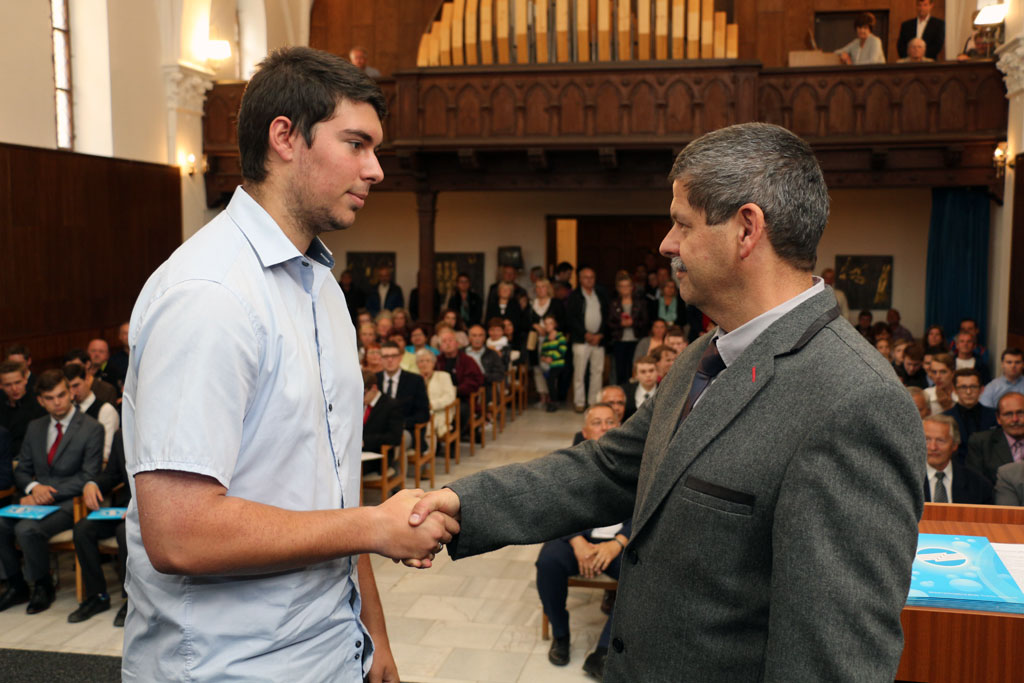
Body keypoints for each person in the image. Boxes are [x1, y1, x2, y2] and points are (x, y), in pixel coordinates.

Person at [408, 122, 924, 682]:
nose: (666, 244)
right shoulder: (703, 353)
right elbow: (610, 469)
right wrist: (458, 504)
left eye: (682, 223)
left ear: (746, 229)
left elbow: (830, 662)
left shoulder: (855, 403)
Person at [120, 47, 455, 682]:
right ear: (285, 138)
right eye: (356, 144)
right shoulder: (210, 294)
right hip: (229, 664)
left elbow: (331, 488)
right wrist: (375, 526)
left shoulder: (320, 284)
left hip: (331, 644)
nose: (376, 169)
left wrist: (373, 633)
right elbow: (180, 534)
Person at [536, 403, 629, 678]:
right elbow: (555, 507)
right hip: (578, 536)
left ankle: (604, 651)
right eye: (597, 423)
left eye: (610, 422)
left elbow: (648, 507)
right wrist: (577, 541)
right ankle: (561, 635)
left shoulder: (638, 462)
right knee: (548, 562)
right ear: (585, 432)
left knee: (643, 573)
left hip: (620, 541)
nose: (604, 428)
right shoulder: (570, 463)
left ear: (620, 427)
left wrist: (619, 542)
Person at [0, 369, 103, 615]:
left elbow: (88, 476)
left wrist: (47, 494)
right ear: (40, 401)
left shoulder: (91, 428)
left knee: (26, 529)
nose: (57, 402)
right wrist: (33, 487)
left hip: (70, 503)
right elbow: (22, 470)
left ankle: (43, 585)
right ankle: (16, 585)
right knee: (1, 524)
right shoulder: (35, 427)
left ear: (70, 394)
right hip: (36, 500)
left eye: (61, 395)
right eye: (50, 398)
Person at [69, 429, 131, 625]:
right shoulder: (122, 435)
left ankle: (130, 600)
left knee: (124, 532)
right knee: (83, 529)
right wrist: (93, 483)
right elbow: (112, 474)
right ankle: (97, 596)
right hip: (123, 508)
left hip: (151, 510)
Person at [567, 266, 609, 412]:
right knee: (580, 373)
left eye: (592, 277)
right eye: (586, 277)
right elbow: (571, 318)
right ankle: (579, 402)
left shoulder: (600, 295)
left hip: (598, 340)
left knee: (597, 372)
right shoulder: (575, 296)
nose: (589, 280)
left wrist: (600, 334)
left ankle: (593, 402)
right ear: (580, 279)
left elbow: (606, 316)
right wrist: (585, 334)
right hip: (581, 340)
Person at [923, 415, 991, 504]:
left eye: (940, 440)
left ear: (955, 444)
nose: (933, 447)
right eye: (927, 440)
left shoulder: (978, 484)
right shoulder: (907, 481)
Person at [63, 362, 119, 461]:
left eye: (76, 385)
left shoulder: (105, 410)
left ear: (87, 379)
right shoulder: (66, 411)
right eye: (68, 388)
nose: (72, 392)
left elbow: (106, 453)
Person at [967, 392, 1024, 485]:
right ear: (998, 418)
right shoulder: (981, 443)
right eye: (1008, 414)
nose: (1015, 419)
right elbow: (976, 484)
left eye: (1021, 413)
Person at [943, 368, 996, 463]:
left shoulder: (995, 416)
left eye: (973, 387)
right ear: (954, 390)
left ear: (981, 389)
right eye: (963, 387)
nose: (968, 392)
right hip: (957, 467)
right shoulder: (944, 419)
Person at [608, 272, 649, 384]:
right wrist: (620, 324)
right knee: (620, 370)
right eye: (622, 286)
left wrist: (633, 323)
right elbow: (609, 323)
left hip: (636, 340)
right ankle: (621, 391)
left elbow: (645, 321)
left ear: (632, 287)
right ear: (618, 288)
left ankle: (632, 391)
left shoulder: (640, 303)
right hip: (619, 340)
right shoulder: (614, 303)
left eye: (627, 286)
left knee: (633, 368)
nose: (625, 289)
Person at [0, 360, 46, 457]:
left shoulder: (39, 404)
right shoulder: (1, 401)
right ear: (1, 386)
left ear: (25, 380)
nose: (14, 388)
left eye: (18, 382)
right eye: (8, 385)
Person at [415, 349, 457, 442]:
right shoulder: (414, 378)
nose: (424, 364)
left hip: (440, 411)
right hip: (418, 412)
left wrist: (431, 405)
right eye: (421, 361)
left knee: (427, 424)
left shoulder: (443, 376)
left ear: (433, 363)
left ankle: (427, 446)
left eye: (428, 361)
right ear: (417, 364)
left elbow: (449, 397)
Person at [536, 314, 568, 412]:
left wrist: (552, 357)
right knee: (550, 383)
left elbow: (562, 349)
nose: (548, 326)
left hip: (558, 364)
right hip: (548, 365)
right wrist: (544, 357)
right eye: (546, 324)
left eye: (550, 323)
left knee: (551, 381)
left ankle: (554, 402)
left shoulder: (560, 336)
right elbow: (543, 351)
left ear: (555, 325)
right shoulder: (546, 338)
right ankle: (552, 400)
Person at [622, 354, 658, 420]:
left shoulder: (665, 390)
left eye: (651, 370)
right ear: (636, 375)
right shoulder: (625, 391)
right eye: (643, 372)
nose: (648, 375)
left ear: (657, 372)